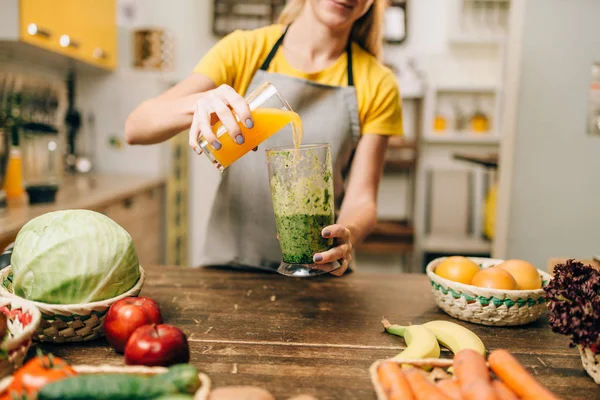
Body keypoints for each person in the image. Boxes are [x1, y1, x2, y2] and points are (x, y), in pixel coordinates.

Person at [125, 0, 404, 276]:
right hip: (231, 267)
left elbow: (362, 199)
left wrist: (347, 234)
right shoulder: (245, 50)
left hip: (319, 271)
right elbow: (135, 127)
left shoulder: (378, 83)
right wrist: (200, 102)